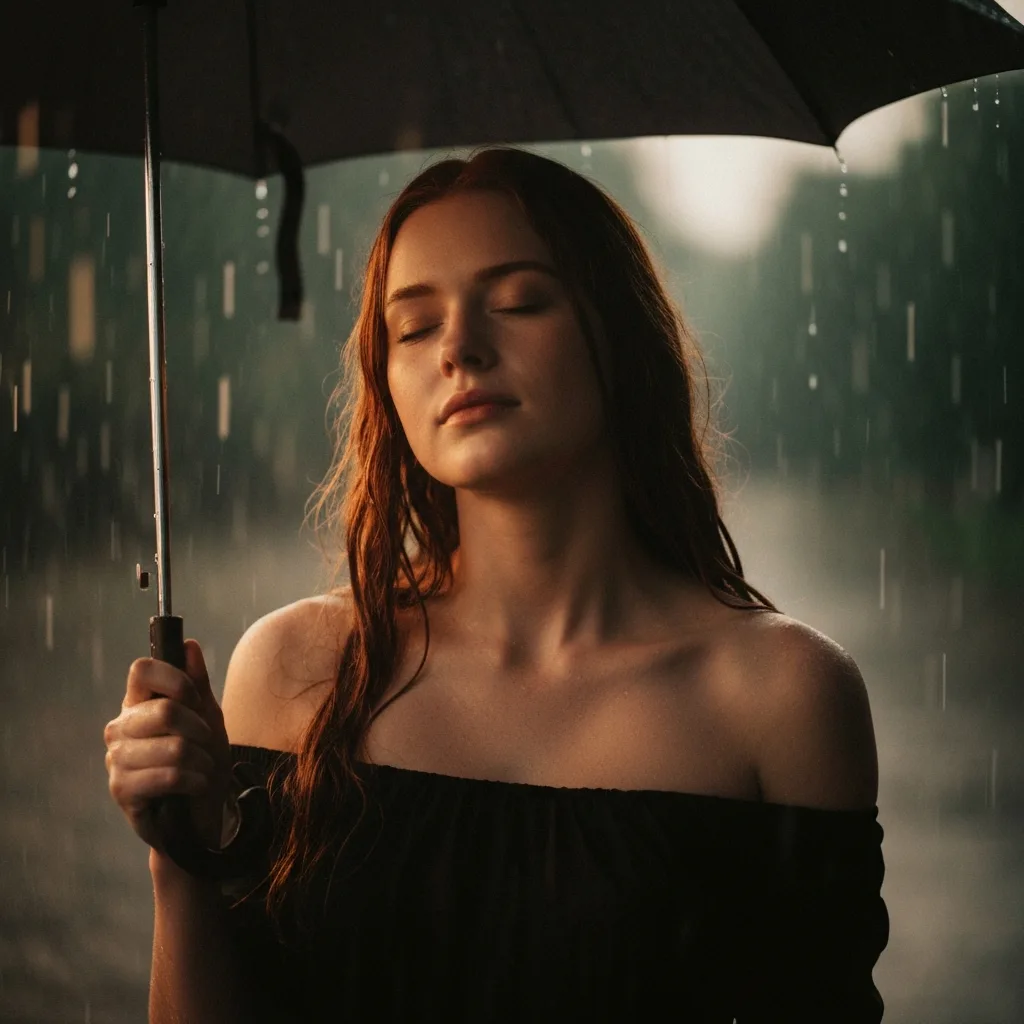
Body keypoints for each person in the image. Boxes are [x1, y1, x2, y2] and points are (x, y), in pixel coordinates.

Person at [103, 146, 889, 1023]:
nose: (460, 350)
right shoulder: (297, 672)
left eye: (517, 302)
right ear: (385, 381)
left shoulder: (777, 697)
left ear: (618, 337)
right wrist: (182, 857)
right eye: (413, 327)